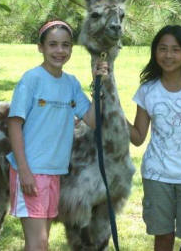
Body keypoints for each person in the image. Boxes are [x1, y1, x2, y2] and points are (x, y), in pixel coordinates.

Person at [6, 20, 108, 251]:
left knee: (40, 242)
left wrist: (98, 86)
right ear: (40, 47)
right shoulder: (31, 80)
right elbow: (14, 125)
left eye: (65, 45)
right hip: (31, 171)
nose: (59, 51)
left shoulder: (70, 83)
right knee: (39, 243)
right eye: (52, 45)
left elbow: (92, 120)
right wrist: (24, 171)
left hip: (54, 172)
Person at [127, 25, 181, 251]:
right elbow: (137, 137)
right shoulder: (148, 89)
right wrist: (113, 111)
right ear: (155, 52)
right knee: (163, 239)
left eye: (175, 50)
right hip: (157, 177)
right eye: (162, 49)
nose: (168, 55)